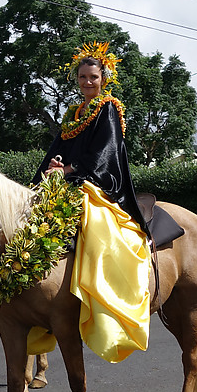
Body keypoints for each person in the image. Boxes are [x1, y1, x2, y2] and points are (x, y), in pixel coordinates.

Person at [33, 41, 152, 364]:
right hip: (66, 180)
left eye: (93, 77)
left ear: (104, 79)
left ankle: (105, 296)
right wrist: (48, 170)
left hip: (97, 183)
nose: (88, 82)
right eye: (83, 77)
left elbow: (106, 154)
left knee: (97, 226)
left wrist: (68, 169)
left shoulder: (109, 108)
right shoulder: (75, 114)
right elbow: (56, 149)